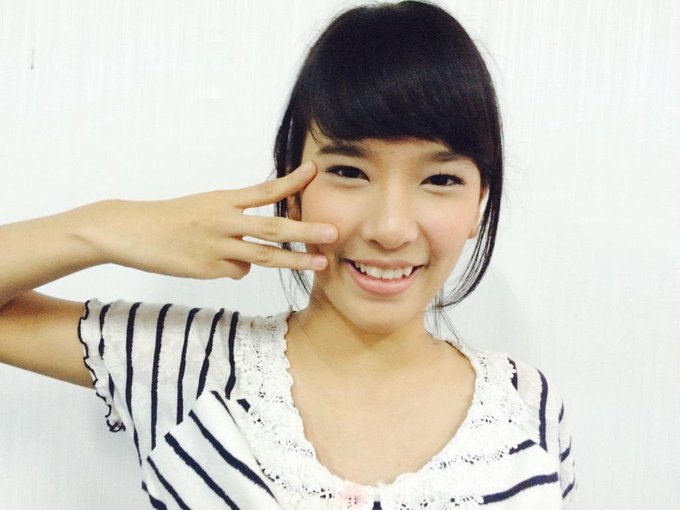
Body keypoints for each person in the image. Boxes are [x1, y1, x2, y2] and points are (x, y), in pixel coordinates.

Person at [0, 1, 577, 508]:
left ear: (480, 202)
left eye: (441, 180)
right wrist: (108, 227)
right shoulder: (183, 361)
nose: (391, 228)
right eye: (349, 171)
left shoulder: (527, 404)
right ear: (291, 188)